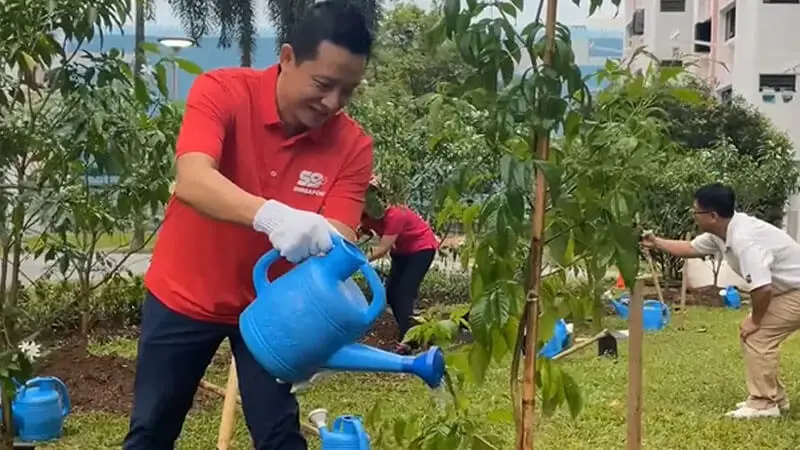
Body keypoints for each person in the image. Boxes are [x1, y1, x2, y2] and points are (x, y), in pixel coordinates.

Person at [123, 3, 374, 449]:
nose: (333, 103)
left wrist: (315, 327)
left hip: (273, 311)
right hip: (184, 295)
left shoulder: (352, 145)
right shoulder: (222, 92)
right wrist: (272, 215)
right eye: (323, 84)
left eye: (349, 91)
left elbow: (337, 241)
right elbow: (193, 180)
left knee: (280, 436)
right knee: (151, 431)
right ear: (287, 57)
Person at [642, 182, 800, 419]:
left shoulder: (744, 238)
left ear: (712, 215)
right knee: (754, 335)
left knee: (757, 334)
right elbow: (689, 247)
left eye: (696, 212)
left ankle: (765, 403)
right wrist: (657, 243)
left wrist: (756, 319)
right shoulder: (721, 233)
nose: (694, 217)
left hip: (794, 291)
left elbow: (762, 287)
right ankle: (773, 397)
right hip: (788, 290)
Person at [359, 176, 439, 354]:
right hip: (401, 252)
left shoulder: (396, 214)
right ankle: (415, 330)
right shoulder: (366, 214)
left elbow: (381, 249)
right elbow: (363, 232)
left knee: (404, 293)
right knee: (391, 293)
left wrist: (357, 258)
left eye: (372, 194)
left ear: (381, 196)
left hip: (421, 249)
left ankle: (408, 341)